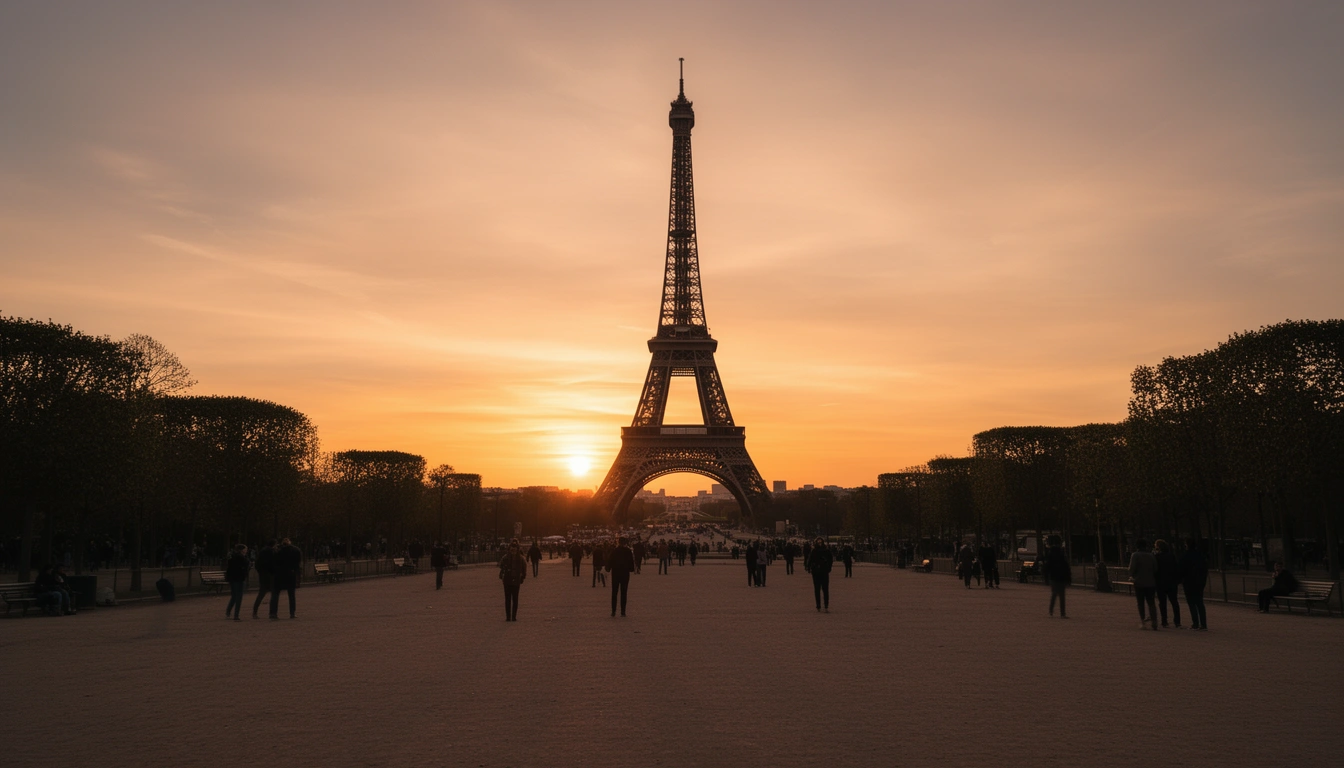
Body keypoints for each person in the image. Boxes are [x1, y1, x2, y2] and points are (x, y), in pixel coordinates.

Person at [1128, 539, 1159, 630]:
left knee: (1140, 603)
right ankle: (1154, 621)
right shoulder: (1151, 555)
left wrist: (1132, 575)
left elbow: (1131, 569)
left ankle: (1143, 621)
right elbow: (1155, 568)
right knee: (1151, 602)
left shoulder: (1135, 555)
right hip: (1150, 582)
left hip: (1139, 582)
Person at [1178, 539, 1209, 630]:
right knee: (1200, 602)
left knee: (1191, 603)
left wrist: (1179, 580)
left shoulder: (1185, 556)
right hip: (1199, 581)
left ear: (1187, 545)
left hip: (1189, 582)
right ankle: (1203, 624)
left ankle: (1195, 623)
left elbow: (1181, 570)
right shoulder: (1200, 555)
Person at [269, 537, 302, 620]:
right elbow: (297, 563)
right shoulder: (295, 550)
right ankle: (292, 613)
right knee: (291, 595)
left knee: (275, 594)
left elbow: (273, 562)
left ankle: (273, 613)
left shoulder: (277, 551)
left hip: (279, 574)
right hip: (290, 574)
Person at [1153, 539, 1182, 628]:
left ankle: (1164, 620)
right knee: (1174, 602)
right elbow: (1176, 568)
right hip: (1171, 582)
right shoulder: (1171, 556)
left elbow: (1155, 570)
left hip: (1160, 582)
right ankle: (1177, 621)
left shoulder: (1157, 557)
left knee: (1162, 603)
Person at [498, 540, 527, 621]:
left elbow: (500, 565)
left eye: (514, 549)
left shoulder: (506, 557)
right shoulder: (520, 558)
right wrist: (523, 576)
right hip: (512, 580)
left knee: (510, 599)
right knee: (513, 599)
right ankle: (511, 616)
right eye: (512, 550)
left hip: (509, 580)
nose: (513, 551)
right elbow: (524, 569)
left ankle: (510, 616)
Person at [1043, 535, 1071, 618]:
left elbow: (1047, 567)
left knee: (1054, 594)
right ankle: (1062, 613)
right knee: (1062, 596)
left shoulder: (1050, 554)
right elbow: (1066, 567)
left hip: (1054, 576)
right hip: (1061, 577)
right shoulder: (1062, 555)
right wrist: (1068, 578)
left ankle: (1051, 610)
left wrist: (1046, 578)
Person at [607, 536, 635, 617]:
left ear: (618, 542)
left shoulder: (614, 551)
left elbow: (610, 561)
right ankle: (623, 611)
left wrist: (609, 568)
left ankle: (613, 611)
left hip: (615, 573)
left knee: (614, 592)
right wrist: (631, 569)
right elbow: (631, 564)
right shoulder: (628, 551)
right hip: (625, 574)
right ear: (625, 543)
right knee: (624, 592)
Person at [806, 537, 833, 612]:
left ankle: (825, 605)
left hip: (821, 571)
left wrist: (828, 567)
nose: (820, 544)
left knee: (824, 589)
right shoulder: (817, 551)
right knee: (818, 589)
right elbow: (810, 560)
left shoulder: (818, 551)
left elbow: (830, 560)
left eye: (821, 542)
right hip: (818, 571)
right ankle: (819, 605)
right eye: (819, 542)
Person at [251, 539, 277, 618]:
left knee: (261, 594)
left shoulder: (262, 552)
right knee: (274, 594)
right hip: (270, 575)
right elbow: (273, 563)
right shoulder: (272, 552)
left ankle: (255, 611)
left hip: (263, 575)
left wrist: (261, 572)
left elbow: (258, 564)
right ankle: (272, 613)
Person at [224, 544, 249, 621]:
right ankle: (236, 615)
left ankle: (228, 611)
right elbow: (246, 565)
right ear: (242, 550)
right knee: (239, 597)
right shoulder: (242, 558)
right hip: (239, 578)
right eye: (245, 549)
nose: (246, 551)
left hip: (232, 578)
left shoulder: (232, 557)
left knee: (234, 596)